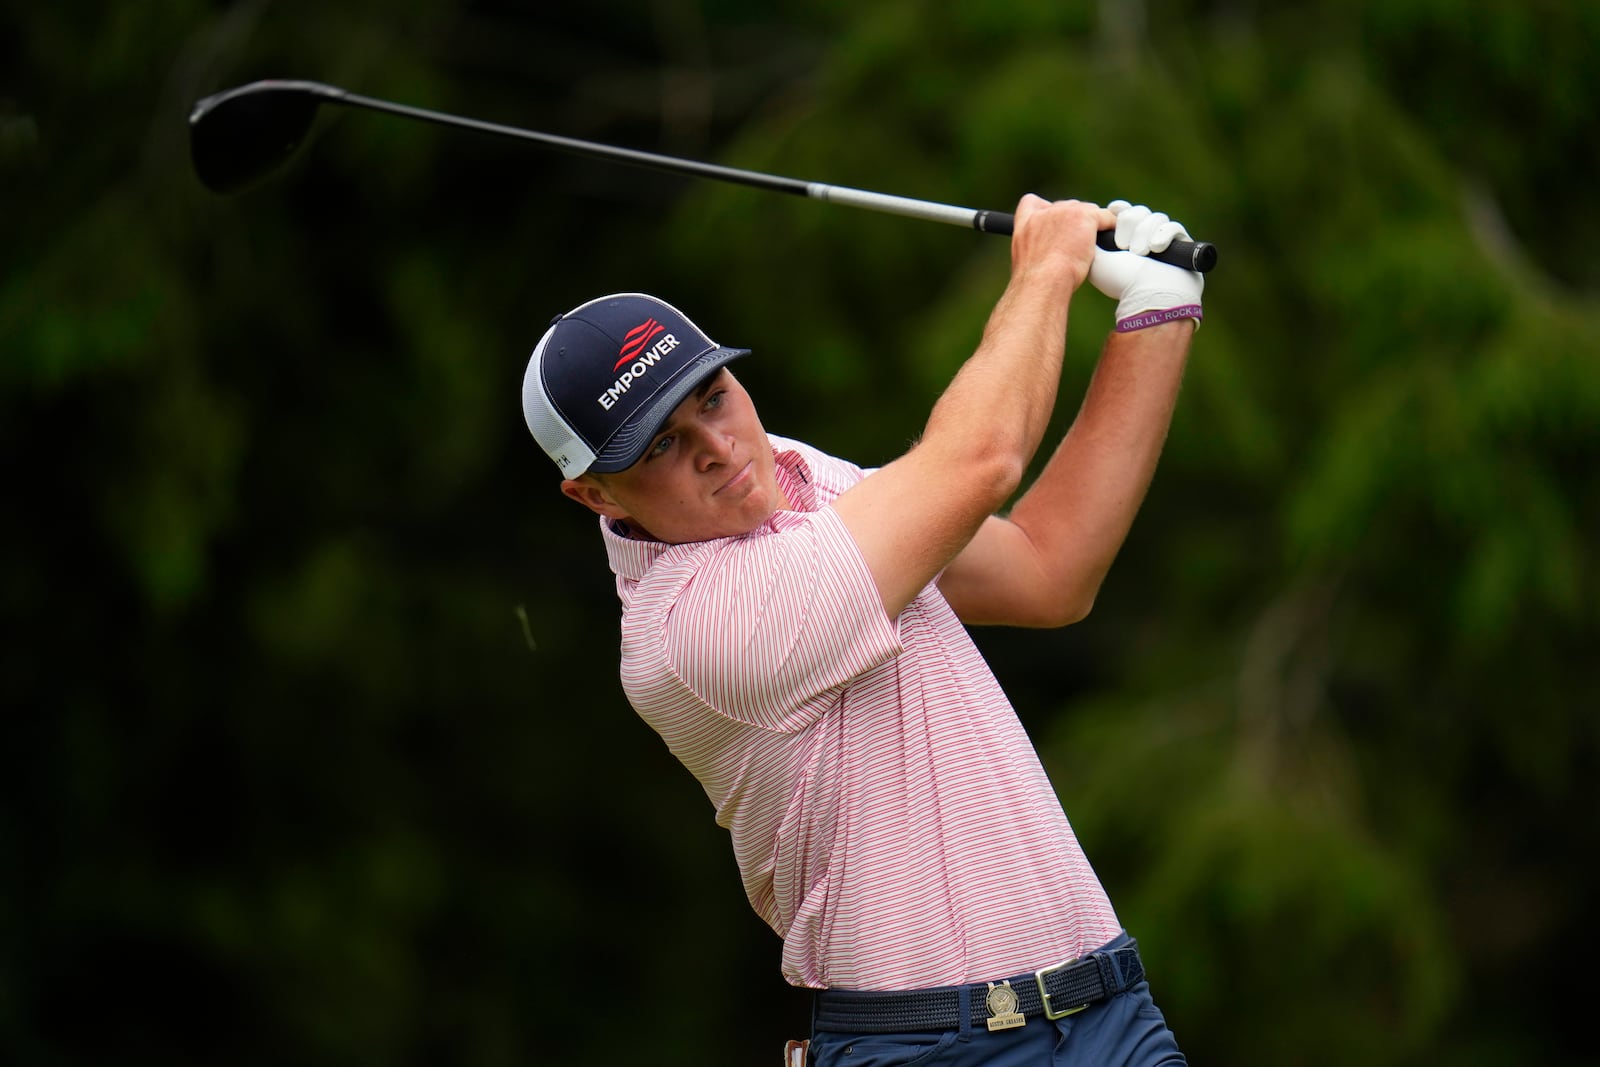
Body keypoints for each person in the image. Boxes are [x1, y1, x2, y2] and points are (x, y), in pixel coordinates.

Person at [521, 195, 1201, 1066]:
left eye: (714, 398)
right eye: (659, 446)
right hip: (933, 1049)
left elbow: (1047, 566)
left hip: (1109, 1010)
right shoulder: (695, 633)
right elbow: (980, 459)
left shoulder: (800, 482)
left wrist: (1156, 311)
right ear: (593, 495)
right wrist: (1046, 269)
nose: (721, 449)